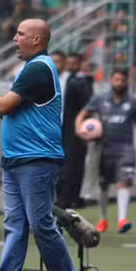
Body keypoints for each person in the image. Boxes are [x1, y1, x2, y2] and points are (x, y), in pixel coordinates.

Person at [0, 18, 85, 271]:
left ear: (37, 40)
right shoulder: (33, 68)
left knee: (40, 224)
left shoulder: (37, 68)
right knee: (16, 224)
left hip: (36, 158)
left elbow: (3, 105)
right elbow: (4, 111)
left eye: (20, 34)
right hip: (19, 158)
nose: (14, 39)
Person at [76, 68, 136, 234]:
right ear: (111, 81)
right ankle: (103, 219)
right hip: (103, 148)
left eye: (122, 80)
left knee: (124, 182)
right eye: (116, 80)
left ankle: (122, 219)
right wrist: (79, 130)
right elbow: (82, 114)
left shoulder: (132, 102)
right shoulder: (100, 99)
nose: (119, 83)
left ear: (126, 82)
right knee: (104, 185)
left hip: (125, 148)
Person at [56, 52, 92, 209]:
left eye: (58, 61)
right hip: (52, 128)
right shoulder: (49, 80)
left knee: (71, 165)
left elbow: (87, 105)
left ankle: (67, 200)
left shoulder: (78, 81)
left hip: (71, 129)